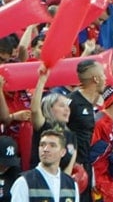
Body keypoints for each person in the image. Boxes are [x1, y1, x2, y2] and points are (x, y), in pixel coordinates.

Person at [68, 59, 106, 202]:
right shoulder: (72, 102)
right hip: (74, 166)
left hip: (86, 164)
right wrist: (72, 163)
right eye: (103, 75)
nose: (105, 78)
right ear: (95, 79)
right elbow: (59, 131)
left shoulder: (90, 102)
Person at [10, 129, 79, 202]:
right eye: (42, 145)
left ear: (63, 152)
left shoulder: (72, 185)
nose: (46, 149)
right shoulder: (23, 182)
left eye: (52, 145)